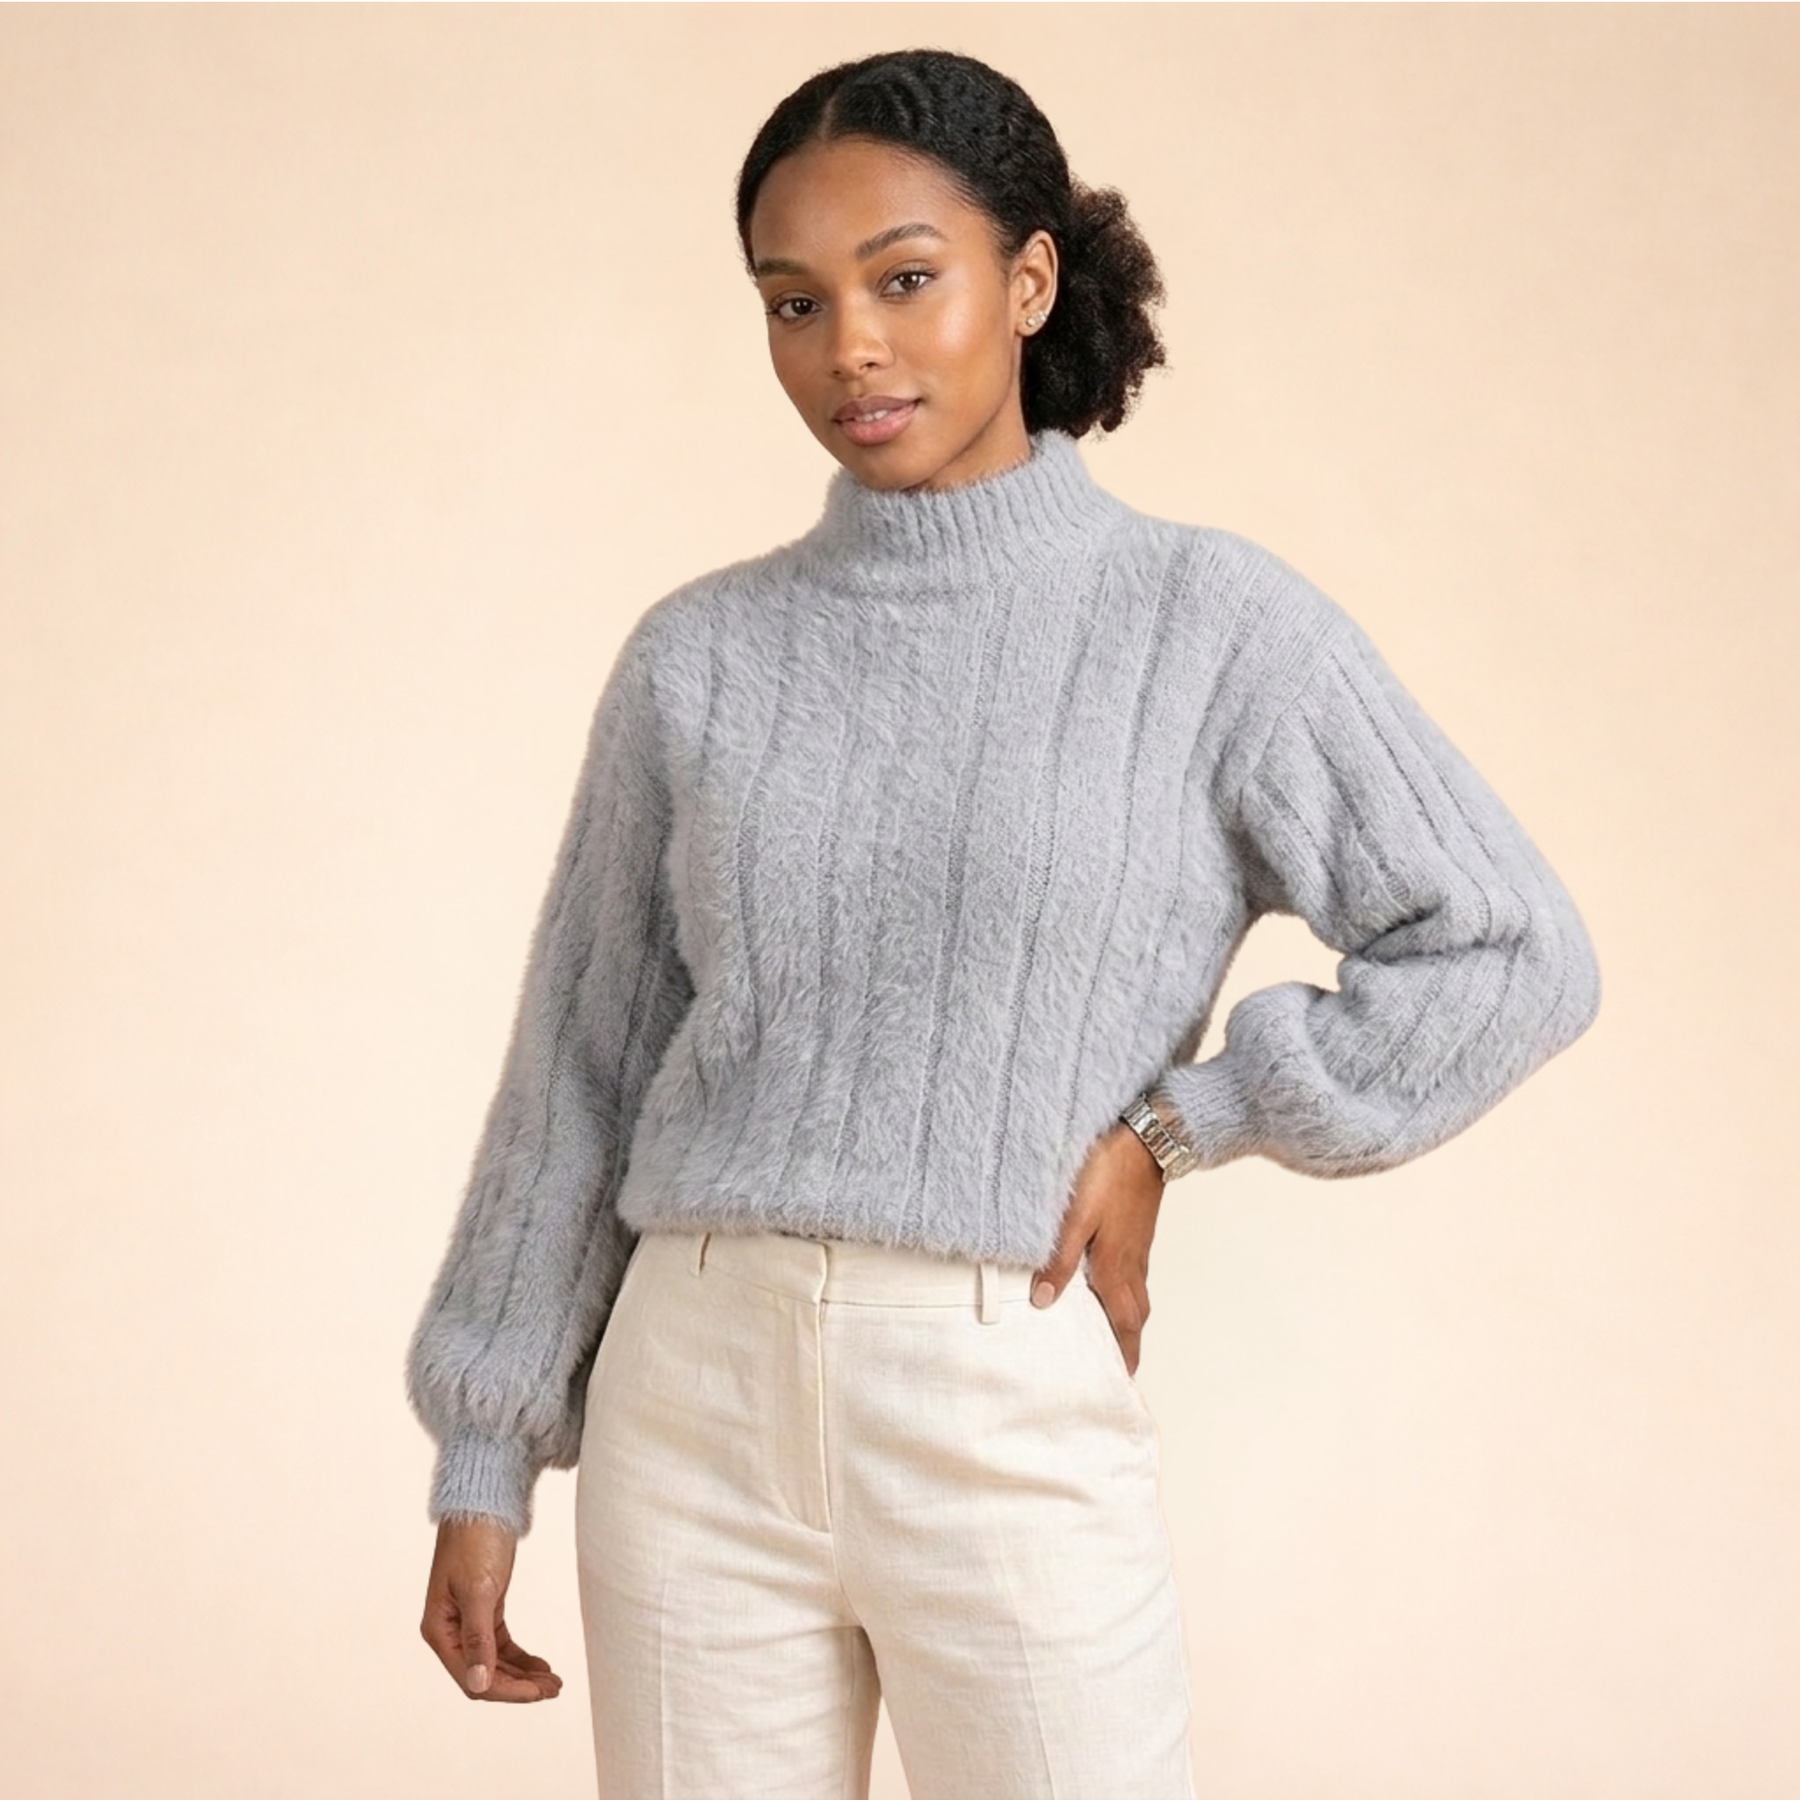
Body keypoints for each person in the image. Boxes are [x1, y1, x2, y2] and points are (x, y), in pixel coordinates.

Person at [405, 46, 1601, 1800]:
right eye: (794, 303)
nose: (849, 348)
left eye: (905, 280)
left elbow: (1507, 951)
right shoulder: (700, 658)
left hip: (1000, 1382)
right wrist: (486, 1450)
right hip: (690, 1397)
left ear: (1030, 279)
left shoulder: (1211, 627)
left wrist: (1183, 1125)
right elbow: (580, 1067)